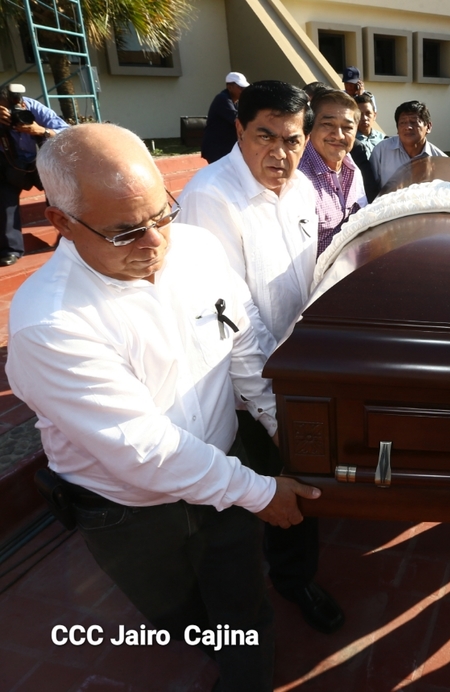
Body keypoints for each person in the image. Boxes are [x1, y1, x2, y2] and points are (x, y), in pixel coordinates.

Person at [7, 123, 326, 690]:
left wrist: (279, 426)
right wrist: (260, 492)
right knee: (174, 616)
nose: (155, 242)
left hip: (224, 473)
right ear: (61, 222)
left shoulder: (196, 248)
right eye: (126, 231)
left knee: (243, 609)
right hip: (131, 511)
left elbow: (242, 345)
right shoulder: (50, 323)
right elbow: (145, 451)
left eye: (162, 214)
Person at [179, 80, 345, 634]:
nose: (280, 153)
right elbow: (231, 319)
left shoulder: (301, 189)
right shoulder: (211, 197)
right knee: (268, 489)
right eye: (264, 136)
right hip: (243, 384)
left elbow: (306, 281)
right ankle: (275, 591)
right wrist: (275, 412)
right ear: (238, 130)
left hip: (293, 371)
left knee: (291, 486)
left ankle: (291, 575)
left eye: (292, 140)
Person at [0, 84, 68, 265]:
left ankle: (68, 239)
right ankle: (11, 250)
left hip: (41, 160)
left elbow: (66, 130)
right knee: (5, 201)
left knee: (59, 197)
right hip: (9, 163)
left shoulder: (34, 107)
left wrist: (42, 131)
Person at [299, 88, 367, 255]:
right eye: (328, 124)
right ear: (310, 126)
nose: (338, 135)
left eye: (347, 127)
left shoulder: (351, 167)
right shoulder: (297, 177)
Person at [370, 100, 447, 189]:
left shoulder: (441, 161)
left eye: (414, 122)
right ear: (397, 128)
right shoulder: (381, 151)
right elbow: (370, 188)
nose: (408, 127)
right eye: (403, 123)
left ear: (428, 127)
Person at [201, 71, 249, 164]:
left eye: (244, 88)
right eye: (240, 88)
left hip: (226, 147)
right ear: (229, 87)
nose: (243, 91)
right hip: (216, 148)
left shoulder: (237, 102)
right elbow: (237, 119)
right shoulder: (222, 99)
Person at [355, 93, 385, 157]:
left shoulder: (383, 139)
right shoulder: (350, 141)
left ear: (374, 115)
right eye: (360, 114)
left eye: (368, 113)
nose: (364, 118)